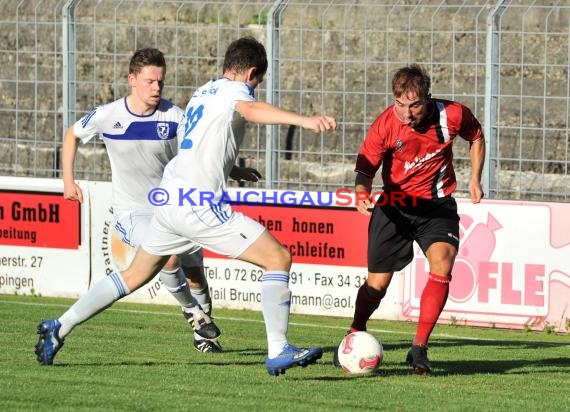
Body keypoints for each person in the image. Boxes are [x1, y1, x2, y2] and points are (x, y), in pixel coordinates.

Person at [35, 36, 337, 375]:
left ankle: (59, 327)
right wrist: (305, 121)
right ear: (251, 72)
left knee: (133, 275)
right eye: (257, 82)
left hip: (170, 201)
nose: (254, 88)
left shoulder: (203, 92)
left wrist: (234, 168)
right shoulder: (236, 93)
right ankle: (279, 348)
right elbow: (250, 110)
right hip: (198, 204)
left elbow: (201, 143)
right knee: (278, 258)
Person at [59, 47, 260, 353]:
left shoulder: (174, 116)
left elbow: (200, 149)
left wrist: (236, 170)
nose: (156, 88)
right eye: (150, 81)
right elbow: (71, 134)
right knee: (170, 258)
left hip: (174, 208)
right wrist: (68, 181)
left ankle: (203, 335)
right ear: (132, 80)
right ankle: (192, 312)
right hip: (132, 213)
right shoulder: (107, 115)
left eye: (160, 82)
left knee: (194, 271)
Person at [334, 64, 485, 374]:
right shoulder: (386, 125)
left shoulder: (453, 115)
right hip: (394, 206)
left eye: (414, 105)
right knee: (377, 285)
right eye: (400, 104)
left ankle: (419, 348)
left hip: (436, 206)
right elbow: (365, 169)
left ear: (428, 98)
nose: (406, 112)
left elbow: (477, 136)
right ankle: (355, 330)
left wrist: (475, 179)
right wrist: (362, 193)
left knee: (442, 263)